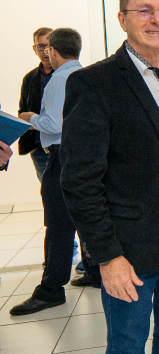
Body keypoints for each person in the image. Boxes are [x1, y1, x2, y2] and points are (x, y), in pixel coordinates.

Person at [60, 0, 159, 353]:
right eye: (144, 10)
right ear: (122, 19)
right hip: (129, 243)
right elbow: (79, 181)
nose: (157, 19)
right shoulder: (94, 83)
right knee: (128, 343)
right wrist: (107, 256)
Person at [12, 28, 102, 314]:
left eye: (46, 48)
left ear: (52, 50)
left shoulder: (58, 80)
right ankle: (95, 271)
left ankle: (50, 289)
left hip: (61, 157)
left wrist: (30, 117)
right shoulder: (88, 75)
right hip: (85, 156)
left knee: (58, 225)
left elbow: (53, 124)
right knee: (85, 217)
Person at [18, 27, 54, 181]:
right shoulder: (29, 78)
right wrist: (31, 146)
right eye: (41, 46)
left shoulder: (67, 75)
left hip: (62, 145)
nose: (45, 51)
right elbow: (23, 111)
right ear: (34, 49)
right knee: (46, 188)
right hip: (39, 147)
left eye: (49, 45)